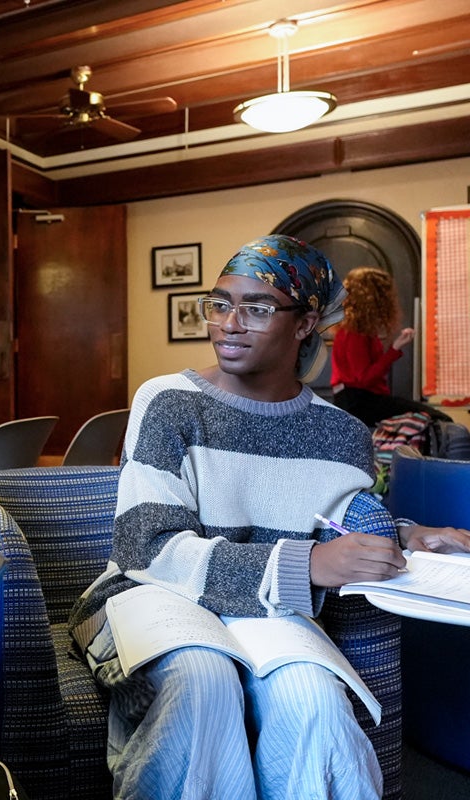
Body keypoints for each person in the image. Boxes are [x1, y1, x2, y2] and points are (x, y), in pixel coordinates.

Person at [67, 234, 470, 800]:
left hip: (265, 611)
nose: (230, 323)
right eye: (221, 303)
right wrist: (306, 565)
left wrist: (406, 535)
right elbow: (147, 547)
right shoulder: (167, 401)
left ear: (305, 323)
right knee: (200, 680)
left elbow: (327, 519)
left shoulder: (341, 433)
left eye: (257, 308)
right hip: (153, 596)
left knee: (315, 700)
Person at [331, 266, 450, 427]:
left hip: (354, 399)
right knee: (439, 419)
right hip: (359, 400)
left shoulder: (352, 331)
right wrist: (394, 350)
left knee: (430, 418)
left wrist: (395, 347)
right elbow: (364, 379)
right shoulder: (355, 334)